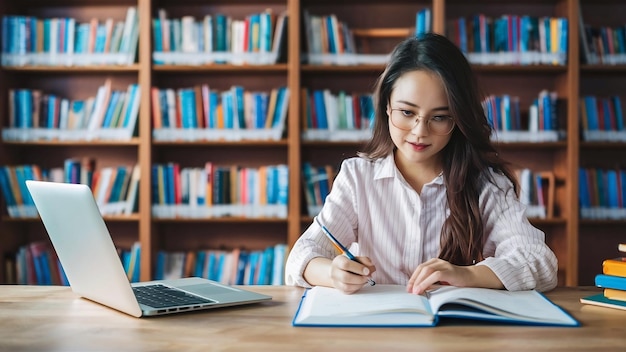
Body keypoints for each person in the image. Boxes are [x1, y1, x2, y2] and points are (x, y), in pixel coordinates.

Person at [285, 33, 558, 295]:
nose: (419, 131)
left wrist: (467, 275)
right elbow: (301, 256)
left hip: (453, 334)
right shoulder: (357, 177)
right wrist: (333, 272)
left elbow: (540, 263)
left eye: (439, 117)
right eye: (407, 112)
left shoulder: (486, 184)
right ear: (386, 107)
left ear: (458, 120)